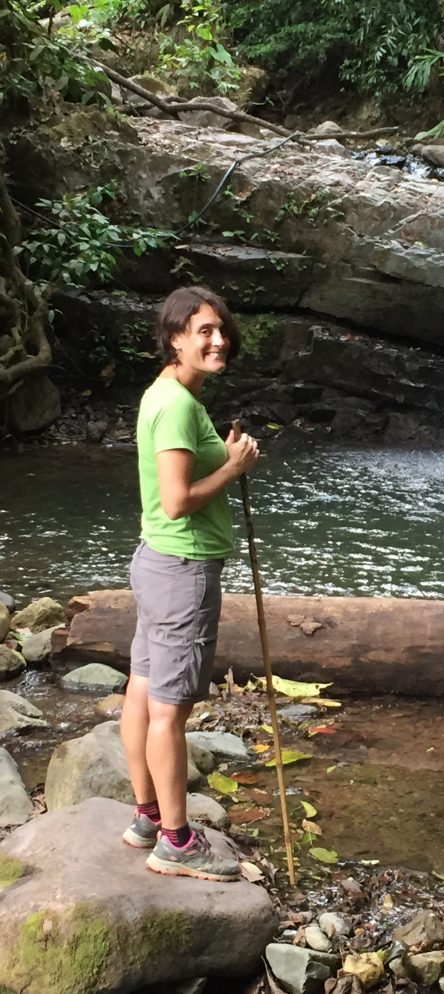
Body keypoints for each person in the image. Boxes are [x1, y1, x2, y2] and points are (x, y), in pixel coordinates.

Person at [120, 285, 260, 882]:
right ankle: (176, 841)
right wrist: (233, 468)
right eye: (203, 330)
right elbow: (177, 501)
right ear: (175, 337)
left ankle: (148, 816)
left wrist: (219, 457)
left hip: (157, 562)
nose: (218, 339)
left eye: (221, 329)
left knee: (142, 688)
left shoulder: (167, 392)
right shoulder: (178, 404)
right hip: (182, 568)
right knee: (168, 712)